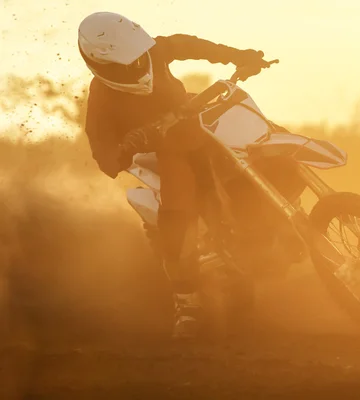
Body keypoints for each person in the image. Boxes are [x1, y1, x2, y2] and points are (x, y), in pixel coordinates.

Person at [77, 11, 270, 339]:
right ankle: (187, 303)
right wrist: (126, 146)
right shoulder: (101, 98)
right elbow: (104, 155)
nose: (137, 66)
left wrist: (239, 57)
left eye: (139, 57)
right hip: (169, 149)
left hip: (198, 120)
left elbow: (189, 45)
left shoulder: (153, 50)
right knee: (177, 221)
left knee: (264, 137)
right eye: (126, 64)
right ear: (101, 65)